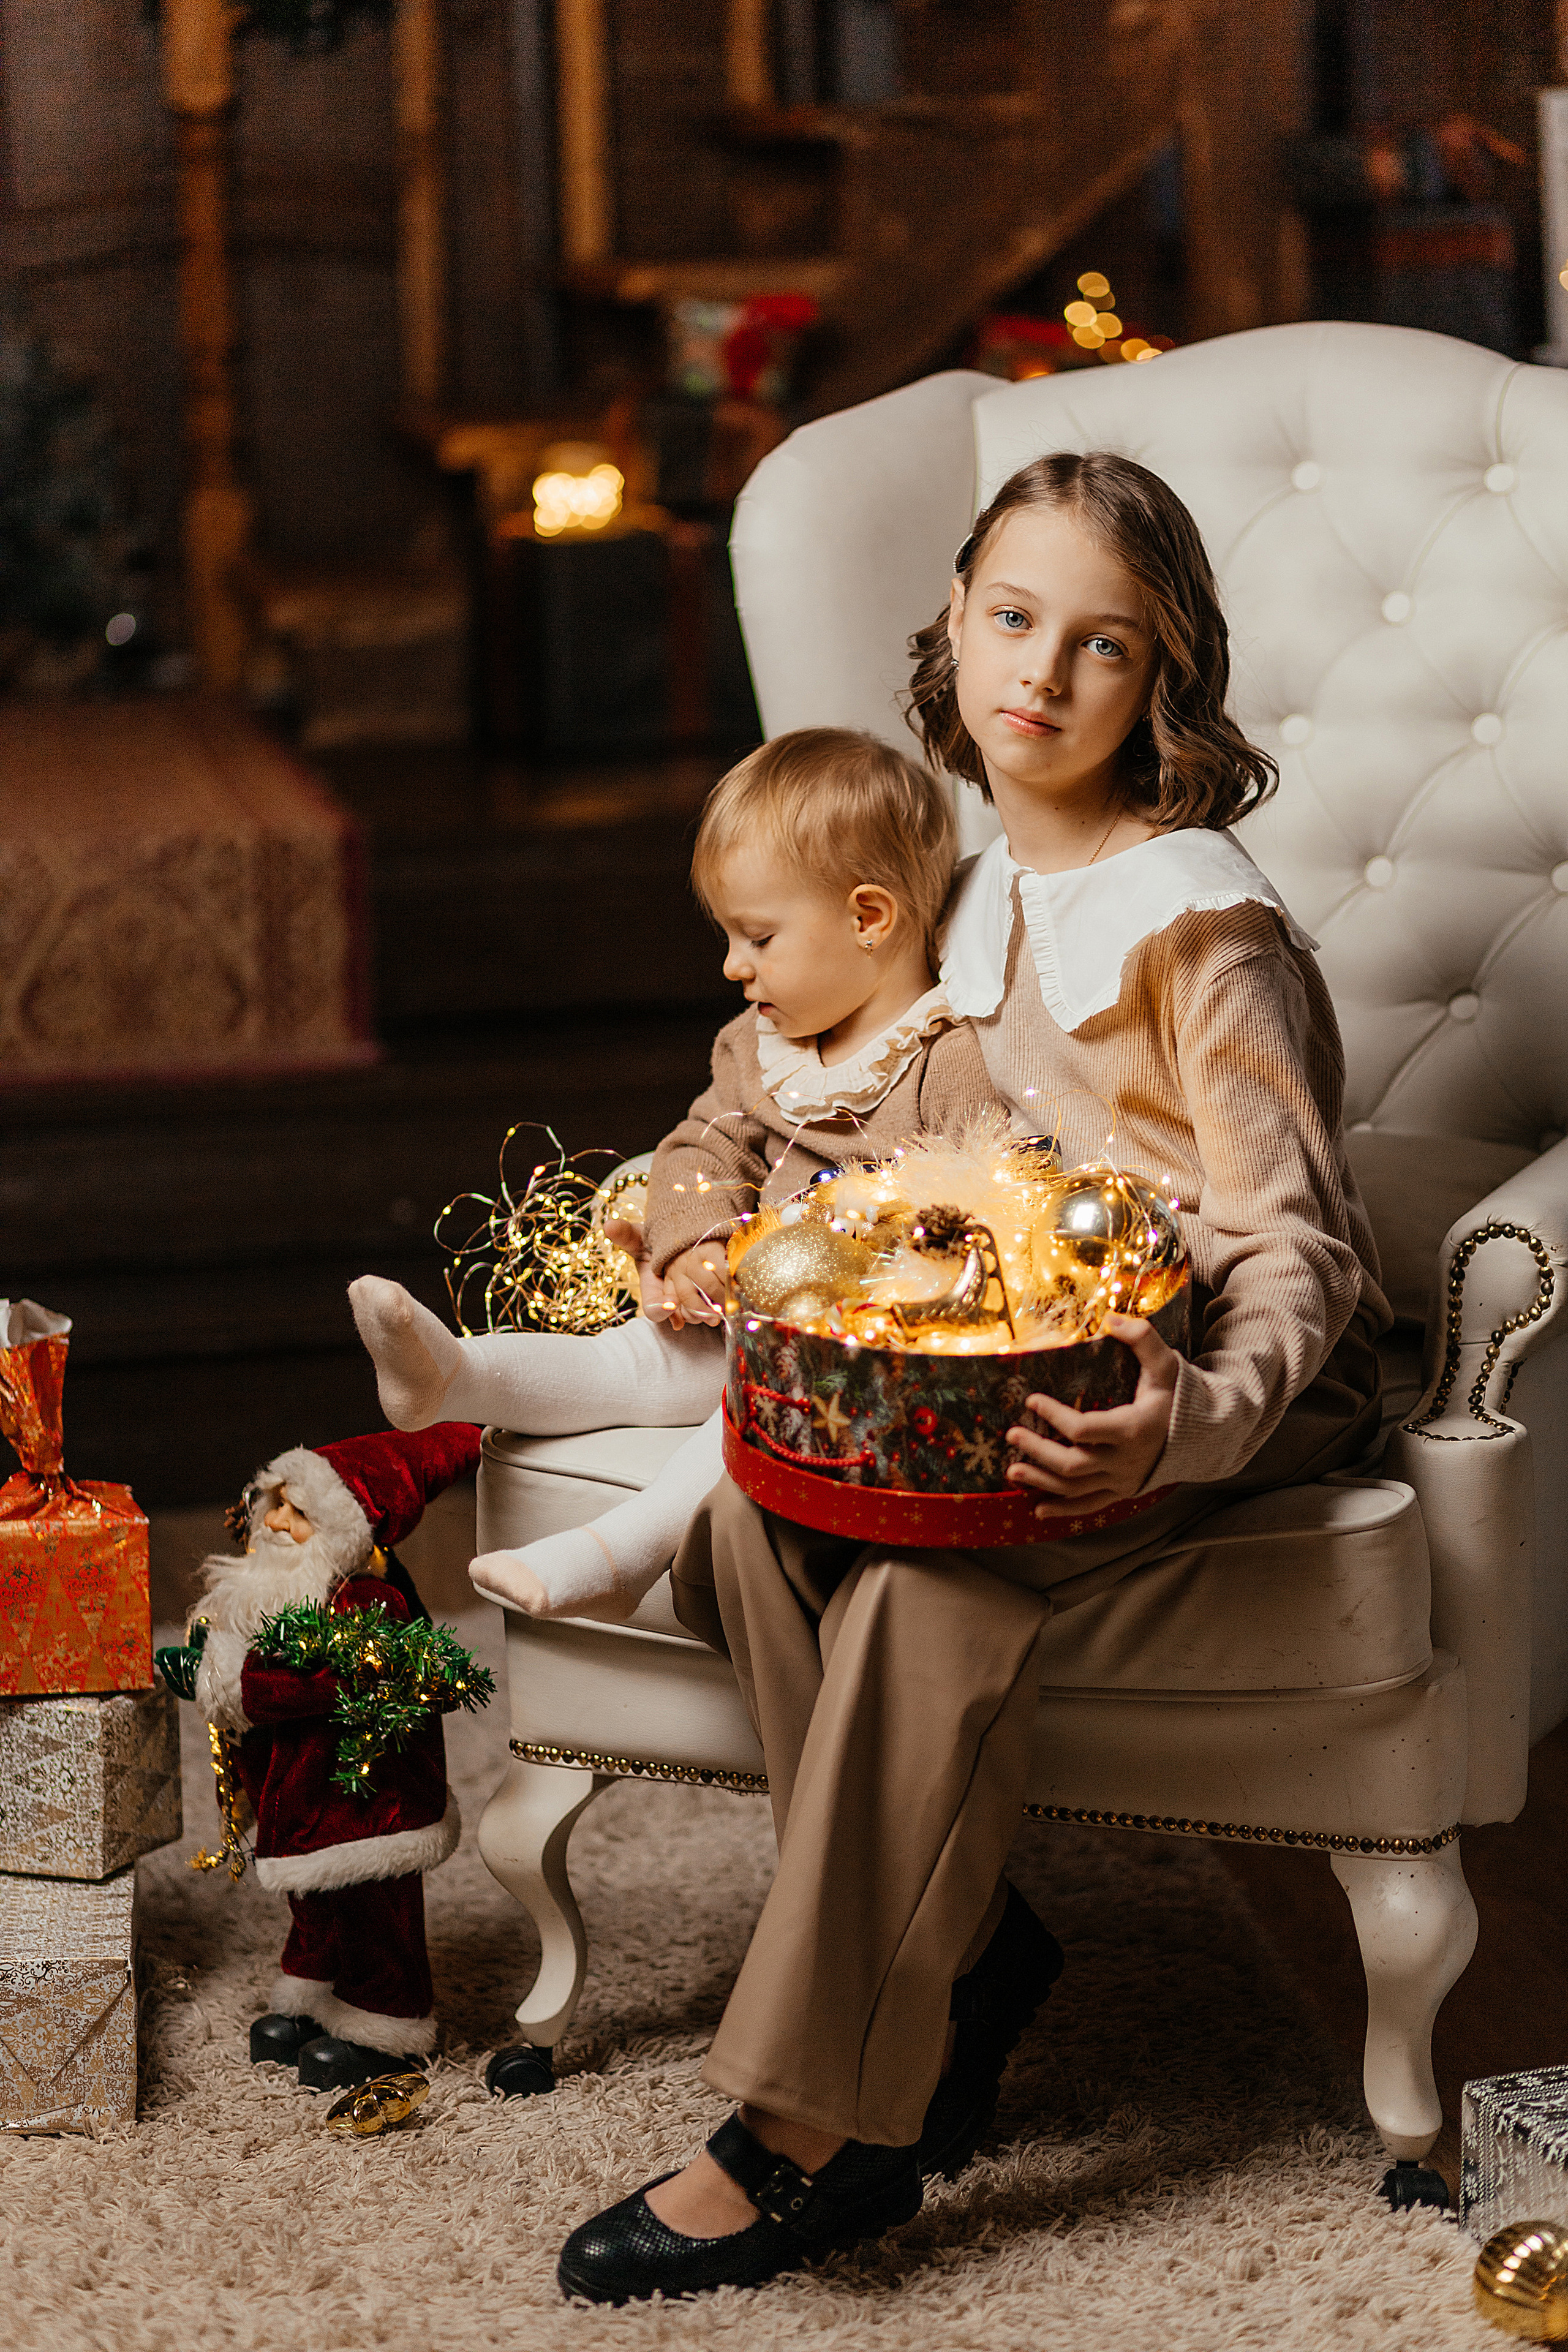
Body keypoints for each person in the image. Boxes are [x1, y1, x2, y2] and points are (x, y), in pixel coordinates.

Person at [554, 450, 1392, 2305]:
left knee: (929, 1586)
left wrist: (1190, 1416)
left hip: (1197, 1379)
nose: (1039, 673)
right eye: (1010, 617)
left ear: (1157, 684)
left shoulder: (1203, 923)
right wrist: (720, 1225)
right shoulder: (972, 883)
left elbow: (1297, 1245)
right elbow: (863, 1123)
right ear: (952, 619)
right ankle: (975, 1947)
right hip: (1000, 1362)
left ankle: (810, 2128)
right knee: (758, 1521)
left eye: (1101, 645)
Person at [349, 727, 998, 1625]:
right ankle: (454, 1378)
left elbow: (982, 1208)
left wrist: (854, 1275)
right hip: (739, 1314)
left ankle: (624, 1552)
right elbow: (703, 1148)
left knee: (742, 1403)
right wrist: (695, 1243)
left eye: (758, 937)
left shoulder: (951, 1062)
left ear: (869, 918)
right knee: (638, 1364)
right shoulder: (756, 1047)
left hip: (852, 1358)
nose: (734, 966)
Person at [155, 1423, 483, 2090]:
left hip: (368, 1803)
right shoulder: (285, 1595)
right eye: (272, 1501)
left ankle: (386, 2019)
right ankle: (315, 1994)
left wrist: (220, 1679)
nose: (273, 1520)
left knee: (373, 1913)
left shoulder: (368, 1603)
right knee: (314, 1905)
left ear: (345, 1531)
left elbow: (317, 1680)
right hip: (306, 1796)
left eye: (297, 1512)